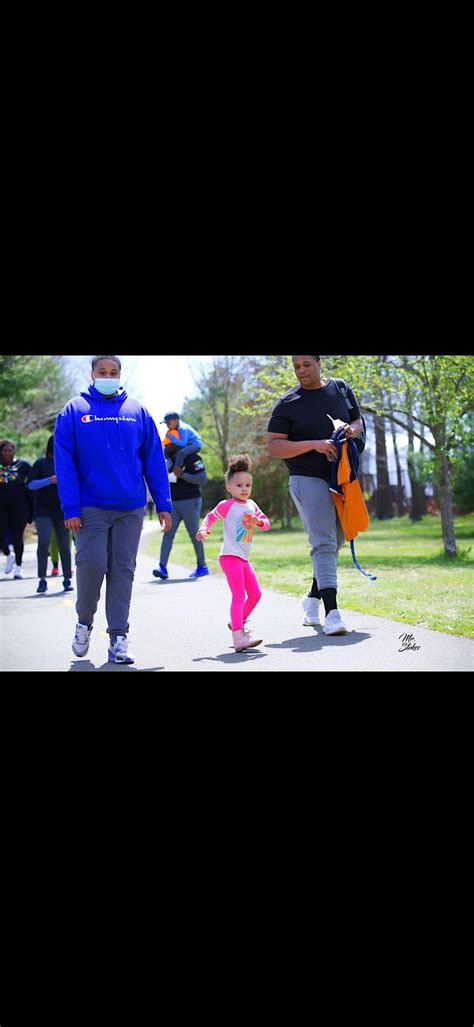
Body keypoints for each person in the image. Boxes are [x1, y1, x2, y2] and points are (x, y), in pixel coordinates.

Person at [55, 355, 172, 664]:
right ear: (92, 374)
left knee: (123, 570)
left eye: (113, 372)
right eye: (102, 371)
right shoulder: (74, 410)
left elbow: (154, 460)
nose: (108, 376)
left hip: (130, 506)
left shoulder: (137, 411)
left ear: (120, 374)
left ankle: (118, 637)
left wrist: (163, 503)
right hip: (89, 505)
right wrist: (70, 507)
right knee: (92, 564)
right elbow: (64, 462)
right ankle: (84, 622)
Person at [267, 355, 363, 636]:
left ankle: (311, 598)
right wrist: (315, 445)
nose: (301, 371)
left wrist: (351, 429)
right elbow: (274, 445)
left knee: (335, 541)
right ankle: (332, 613)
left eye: (306, 365)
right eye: (296, 366)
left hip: (341, 476)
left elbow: (358, 420)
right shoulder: (288, 403)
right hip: (306, 477)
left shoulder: (340, 388)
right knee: (324, 542)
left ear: (319, 363)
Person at [196, 453, 270, 652]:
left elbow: (266, 524)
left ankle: (236, 622)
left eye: (248, 485)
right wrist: (203, 529)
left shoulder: (252, 505)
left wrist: (258, 521)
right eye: (239, 485)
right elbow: (210, 517)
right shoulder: (227, 505)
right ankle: (239, 637)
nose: (244, 489)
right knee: (238, 595)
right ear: (229, 487)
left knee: (255, 594)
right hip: (229, 556)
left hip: (244, 558)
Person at [153, 443, 209, 580]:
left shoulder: (194, 458)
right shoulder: (169, 459)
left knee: (195, 534)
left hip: (191, 501)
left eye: (169, 443)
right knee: (168, 533)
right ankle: (162, 567)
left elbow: (202, 478)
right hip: (173, 503)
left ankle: (202, 566)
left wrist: (182, 474)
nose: (166, 446)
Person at [27, 435, 74, 594]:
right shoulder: (41, 463)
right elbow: (31, 485)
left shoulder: (66, 462)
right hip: (43, 510)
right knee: (44, 541)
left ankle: (67, 579)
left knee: (64, 544)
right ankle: (42, 579)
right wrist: (50, 480)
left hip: (62, 510)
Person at [0, 439, 32, 579]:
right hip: (2, 507)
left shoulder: (23, 465)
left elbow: (33, 481)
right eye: (4, 450)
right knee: (1, 535)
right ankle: (9, 555)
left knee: (17, 536)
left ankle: (18, 567)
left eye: (10, 450)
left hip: (20, 507)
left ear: (14, 451)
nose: (7, 453)